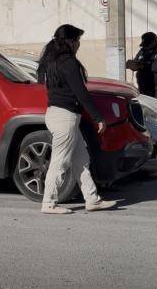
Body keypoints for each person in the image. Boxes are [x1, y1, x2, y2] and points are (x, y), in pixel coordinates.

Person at [37, 24, 116, 215]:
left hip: (57, 114)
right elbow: (81, 93)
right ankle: (48, 203)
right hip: (66, 117)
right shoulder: (68, 62)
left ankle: (92, 199)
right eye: (78, 40)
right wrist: (98, 117)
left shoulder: (51, 60)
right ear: (70, 42)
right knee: (60, 161)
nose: (79, 44)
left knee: (81, 159)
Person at [129, 32, 157, 103]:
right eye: (144, 45)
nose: (146, 47)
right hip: (143, 87)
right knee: (144, 107)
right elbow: (136, 61)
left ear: (154, 41)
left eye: (147, 44)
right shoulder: (143, 50)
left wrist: (146, 66)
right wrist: (133, 65)